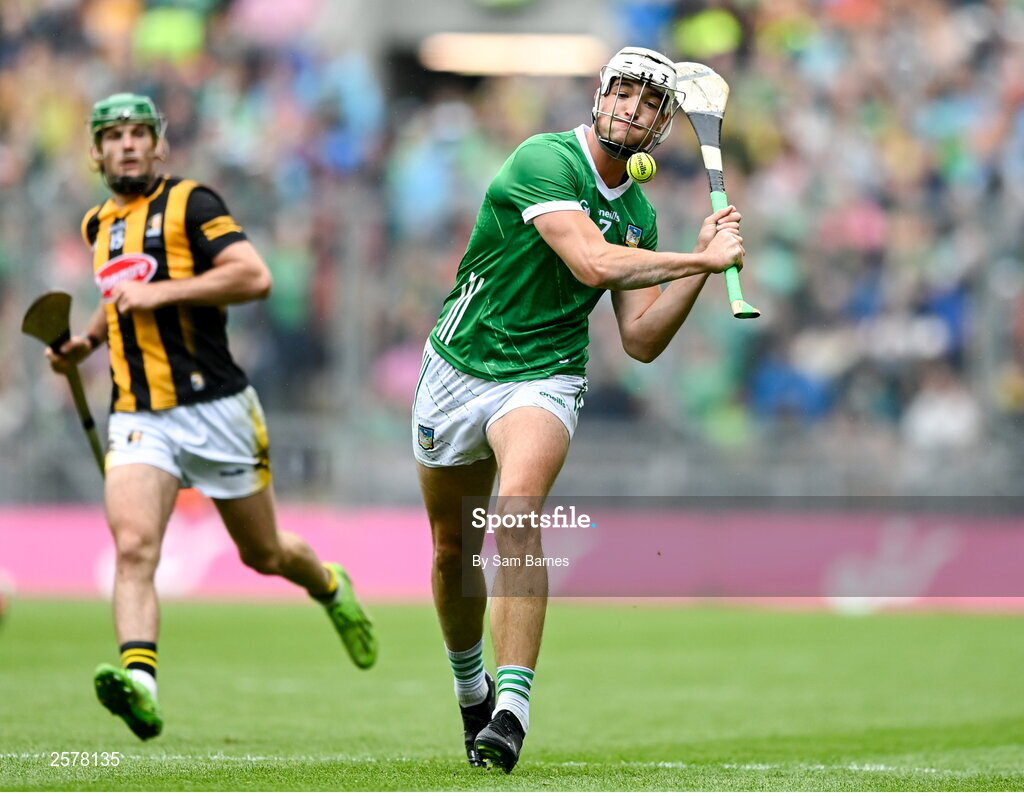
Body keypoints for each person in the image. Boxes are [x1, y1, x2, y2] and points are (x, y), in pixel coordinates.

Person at [412, 47, 745, 772]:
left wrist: (694, 263)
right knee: (450, 551)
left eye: (651, 102)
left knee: (517, 515)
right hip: (458, 366)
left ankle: (511, 712)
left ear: (662, 125)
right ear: (601, 97)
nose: (633, 108)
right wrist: (700, 264)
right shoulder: (545, 161)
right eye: (624, 92)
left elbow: (642, 341)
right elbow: (591, 264)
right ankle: (473, 690)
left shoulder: (640, 214)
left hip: (545, 377)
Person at [46, 93, 378, 741]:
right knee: (136, 546)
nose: (129, 144)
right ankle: (140, 683)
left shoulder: (193, 203)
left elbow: (253, 277)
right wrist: (86, 341)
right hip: (139, 414)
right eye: (114, 136)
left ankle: (331, 586)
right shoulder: (98, 225)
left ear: (160, 145)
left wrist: (162, 292)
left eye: (141, 133)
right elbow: (116, 294)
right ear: (96, 151)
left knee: (265, 553)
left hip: (217, 407)